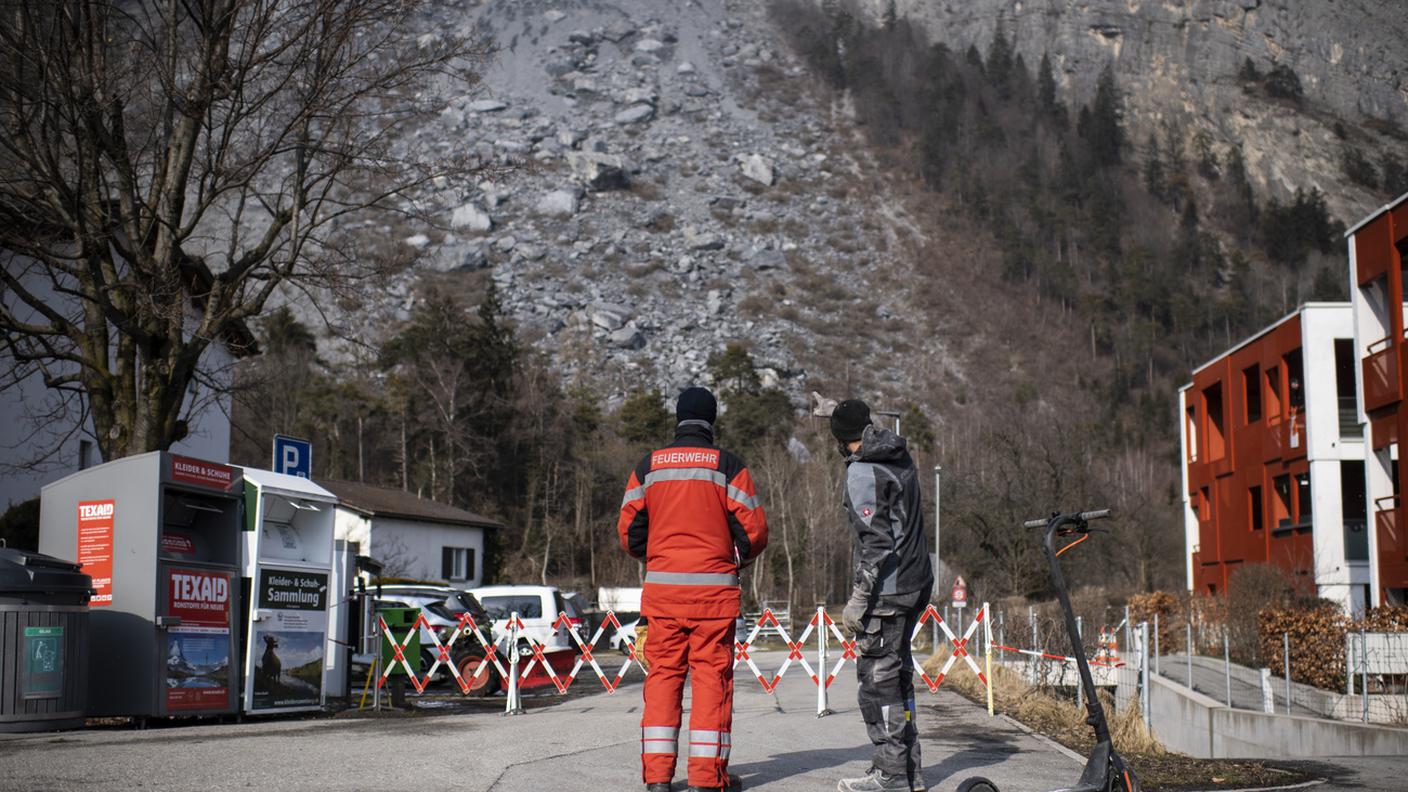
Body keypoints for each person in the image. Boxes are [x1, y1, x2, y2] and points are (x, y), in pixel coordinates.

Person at [618, 386, 769, 792]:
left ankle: (657, 781)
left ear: (678, 417)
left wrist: (661, 557)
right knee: (710, 684)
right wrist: (732, 557)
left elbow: (630, 536)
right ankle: (706, 781)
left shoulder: (647, 468)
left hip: (663, 598)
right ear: (712, 420)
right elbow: (754, 533)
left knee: (663, 681)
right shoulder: (728, 466)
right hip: (714, 600)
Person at [830, 399, 934, 792]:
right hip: (916, 582)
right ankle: (911, 773)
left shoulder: (862, 472)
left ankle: (890, 775)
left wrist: (859, 597)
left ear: (841, 440)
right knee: (900, 679)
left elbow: (876, 543)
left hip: (887, 592)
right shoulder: (899, 455)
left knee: (877, 684)